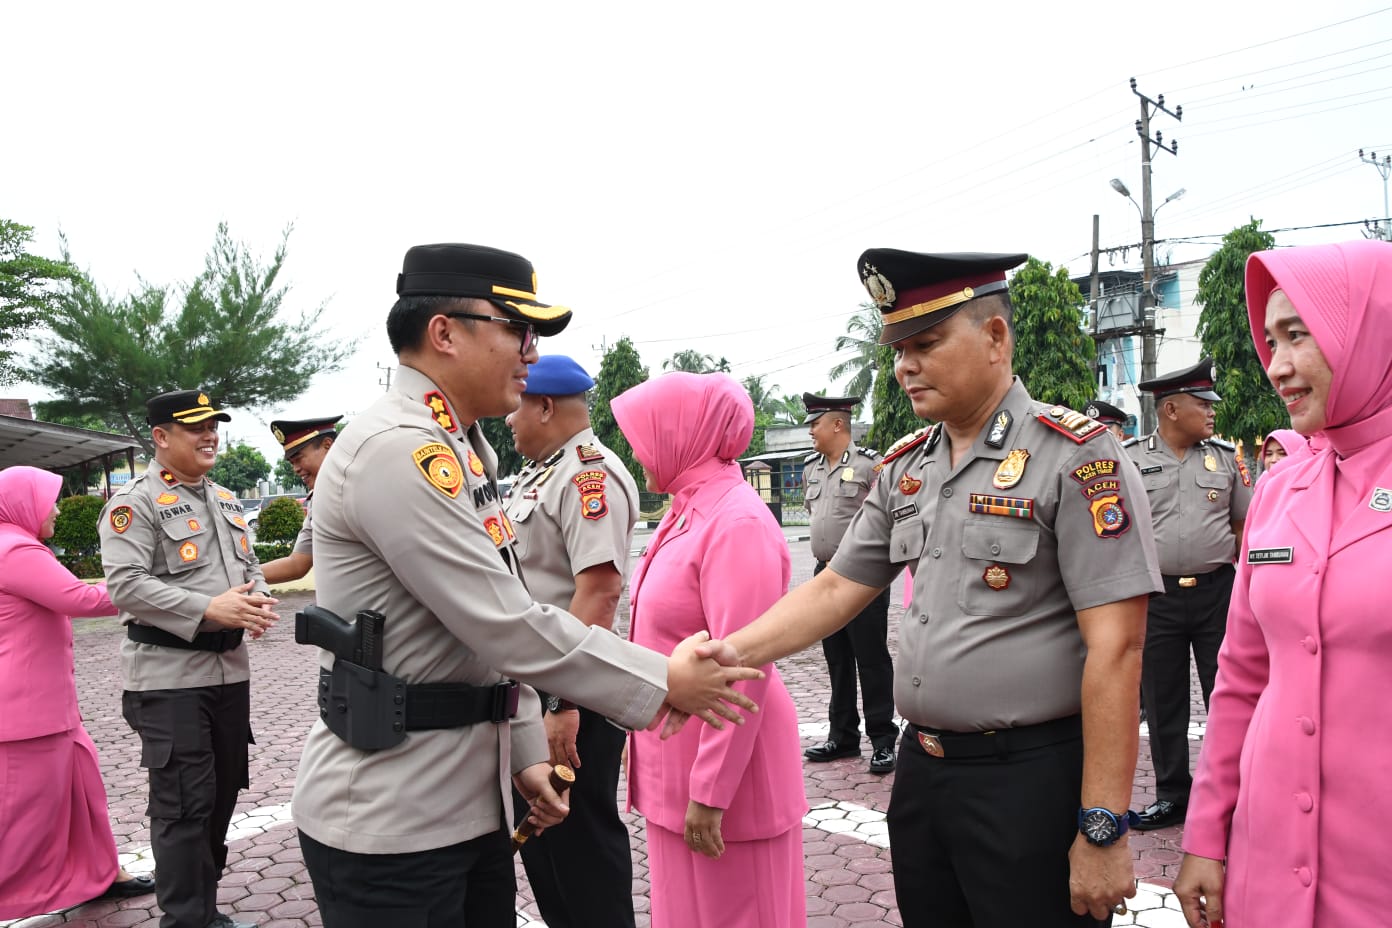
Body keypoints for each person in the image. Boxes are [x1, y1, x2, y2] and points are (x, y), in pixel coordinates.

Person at [290, 243, 764, 928]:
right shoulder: (397, 449)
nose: (530, 352)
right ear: (445, 332)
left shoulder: (461, 447)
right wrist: (666, 680)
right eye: (516, 329)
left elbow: (482, 642)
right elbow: (504, 623)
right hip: (392, 817)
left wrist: (522, 754)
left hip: (459, 803)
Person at [697, 249, 1163, 926]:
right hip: (925, 772)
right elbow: (833, 592)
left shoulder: (1077, 455)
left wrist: (1103, 826)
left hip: (1029, 779)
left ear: (996, 337)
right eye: (898, 349)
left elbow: (1117, 648)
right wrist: (725, 656)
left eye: (926, 343)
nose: (904, 366)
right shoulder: (907, 468)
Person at [1173, 240, 1392, 927]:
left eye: (1300, 334)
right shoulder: (1276, 489)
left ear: (1367, 328)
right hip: (1266, 864)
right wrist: (1207, 835)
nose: (1278, 365)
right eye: (1270, 340)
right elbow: (1240, 676)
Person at [612, 372, 806, 928]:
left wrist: (710, 792)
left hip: (728, 781)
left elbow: (743, 668)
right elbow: (658, 640)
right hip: (676, 765)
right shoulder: (684, 508)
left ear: (684, 433)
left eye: (646, 433)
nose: (635, 447)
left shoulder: (737, 521)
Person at [99, 390, 279, 928]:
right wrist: (210, 608)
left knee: (222, 796)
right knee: (183, 805)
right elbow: (125, 585)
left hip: (228, 672)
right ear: (160, 437)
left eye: (214, 426)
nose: (210, 436)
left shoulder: (224, 499)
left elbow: (250, 567)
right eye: (196, 427)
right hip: (167, 676)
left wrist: (257, 597)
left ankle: (206, 912)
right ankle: (185, 920)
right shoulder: (137, 503)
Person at [503, 354, 641, 928]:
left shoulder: (590, 475)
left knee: (582, 847)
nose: (507, 419)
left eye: (516, 406)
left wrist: (562, 702)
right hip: (539, 690)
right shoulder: (542, 474)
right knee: (544, 846)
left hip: (572, 697)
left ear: (543, 405)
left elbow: (599, 592)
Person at [0, 467, 156, 919]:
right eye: (50, 499)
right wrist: (152, 587)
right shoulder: (14, 548)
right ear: (23, 503)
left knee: (83, 793)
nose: (57, 507)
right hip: (23, 713)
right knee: (23, 815)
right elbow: (80, 599)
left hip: (43, 705)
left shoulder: (15, 545)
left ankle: (101, 873)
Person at [1124, 358, 1252, 831]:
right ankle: (1172, 794)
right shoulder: (1132, 461)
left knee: (1229, 694)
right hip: (1157, 599)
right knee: (1164, 700)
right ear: (1172, 409)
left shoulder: (1224, 458)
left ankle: (1233, 795)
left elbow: (1243, 527)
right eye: (1203, 405)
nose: (1212, 412)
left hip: (1218, 595)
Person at [799, 392, 897, 774]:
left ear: (837, 424)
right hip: (825, 573)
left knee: (870, 658)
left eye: (815, 423)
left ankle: (883, 739)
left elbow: (885, 517)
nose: (811, 431)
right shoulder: (812, 469)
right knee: (837, 659)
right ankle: (843, 736)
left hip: (863, 576)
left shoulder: (872, 466)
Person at [259, 415, 340, 584]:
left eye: (298, 459)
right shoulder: (320, 500)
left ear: (327, 445)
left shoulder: (362, 487)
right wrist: (237, 579)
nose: (295, 469)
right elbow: (297, 563)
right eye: (291, 462)